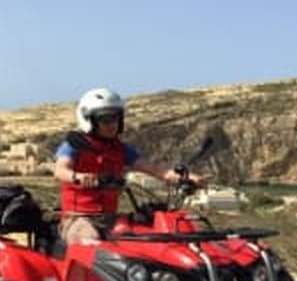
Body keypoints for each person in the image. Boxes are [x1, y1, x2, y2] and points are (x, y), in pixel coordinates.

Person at [53, 88, 204, 244]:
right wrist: (78, 177)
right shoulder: (75, 145)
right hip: (78, 219)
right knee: (90, 243)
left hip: (110, 218)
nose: (113, 124)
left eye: (117, 118)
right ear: (88, 120)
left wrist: (186, 178)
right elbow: (60, 170)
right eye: (106, 119)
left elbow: (155, 169)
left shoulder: (121, 150)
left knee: (146, 239)